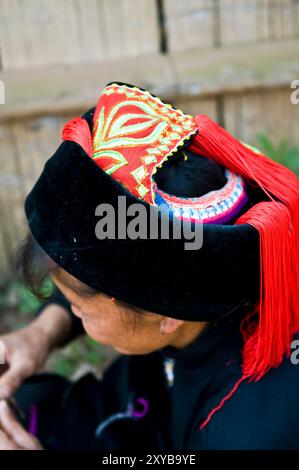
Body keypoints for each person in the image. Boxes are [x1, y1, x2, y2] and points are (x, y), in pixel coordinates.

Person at [0, 82, 299, 450]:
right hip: (143, 408)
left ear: (166, 312)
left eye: (78, 307)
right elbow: (92, 275)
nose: (72, 311)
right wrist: (41, 334)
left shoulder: (246, 433)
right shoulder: (201, 276)